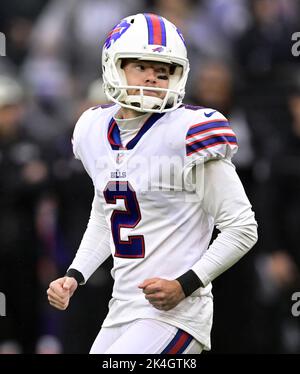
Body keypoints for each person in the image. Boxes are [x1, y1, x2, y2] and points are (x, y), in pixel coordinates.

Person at [47, 13, 258, 354]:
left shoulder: (189, 131)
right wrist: (76, 274)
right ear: (114, 66)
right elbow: (107, 214)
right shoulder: (93, 129)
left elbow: (242, 228)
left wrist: (185, 284)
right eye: (141, 66)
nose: (153, 77)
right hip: (122, 307)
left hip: (175, 315)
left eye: (164, 70)